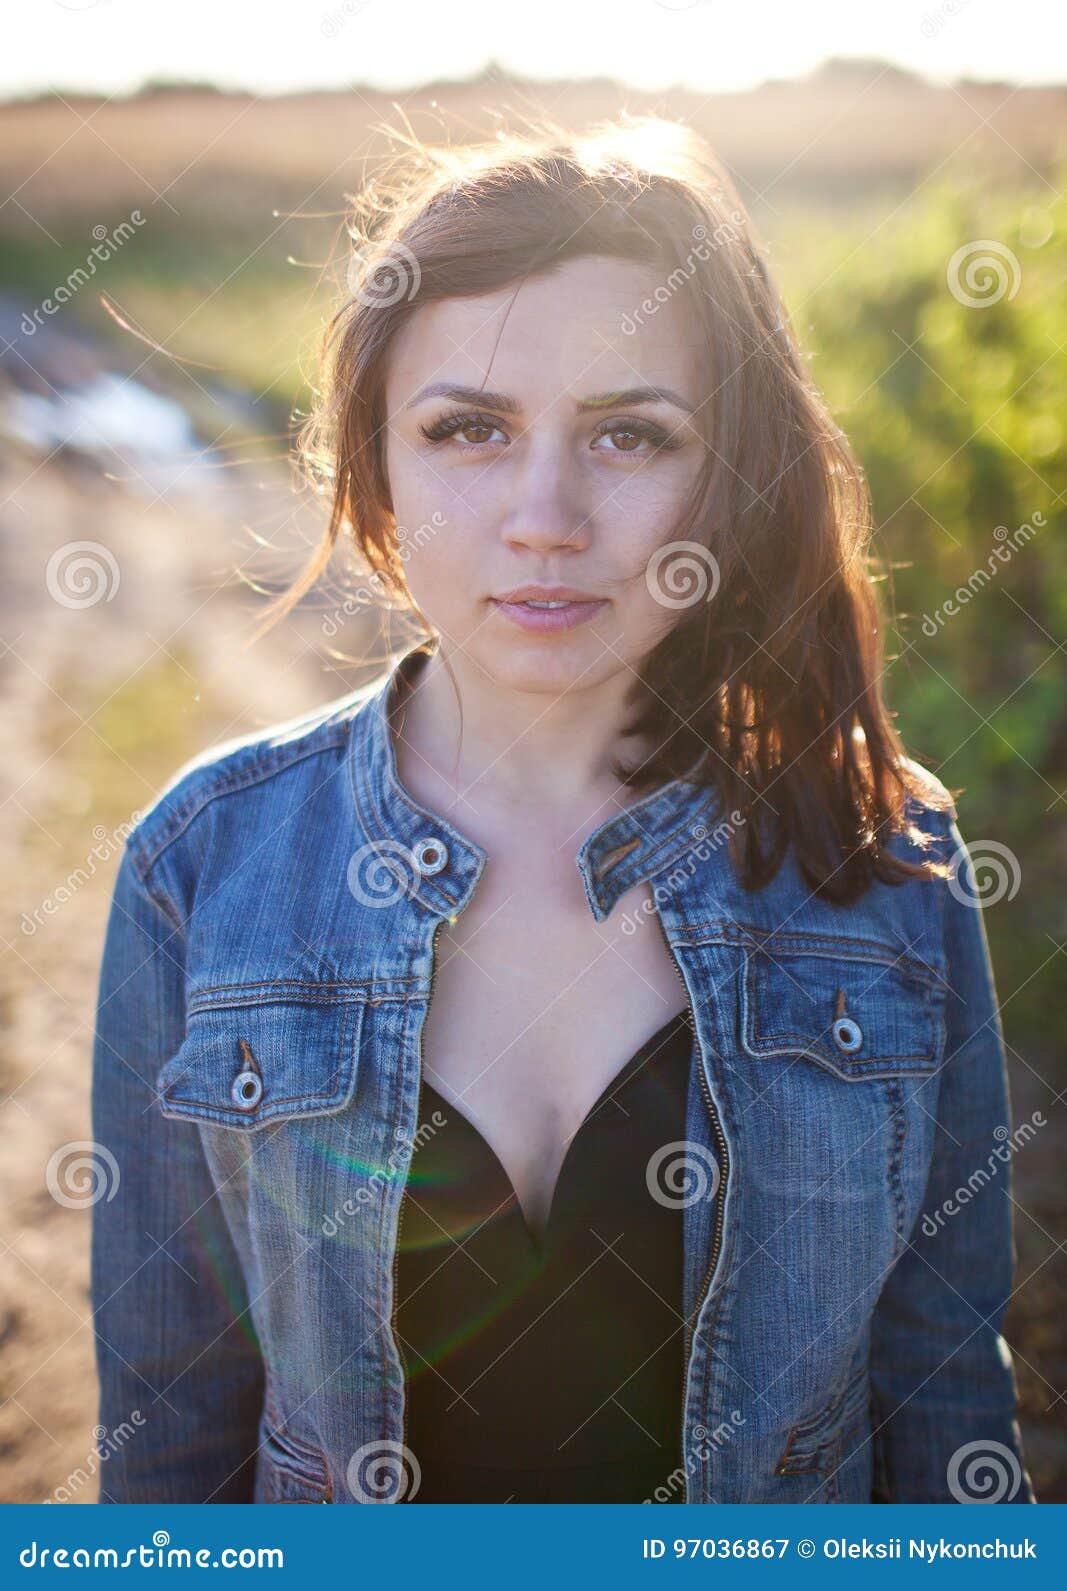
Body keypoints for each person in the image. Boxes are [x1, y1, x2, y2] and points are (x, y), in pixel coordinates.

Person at [90, 116, 1034, 1504]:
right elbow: (168, 1444)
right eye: (468, 428)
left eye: (629, 434)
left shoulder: (882, 856)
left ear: (728, 473)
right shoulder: (201, 867)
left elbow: (945, 1406)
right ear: (377, 467)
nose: (547, 513)